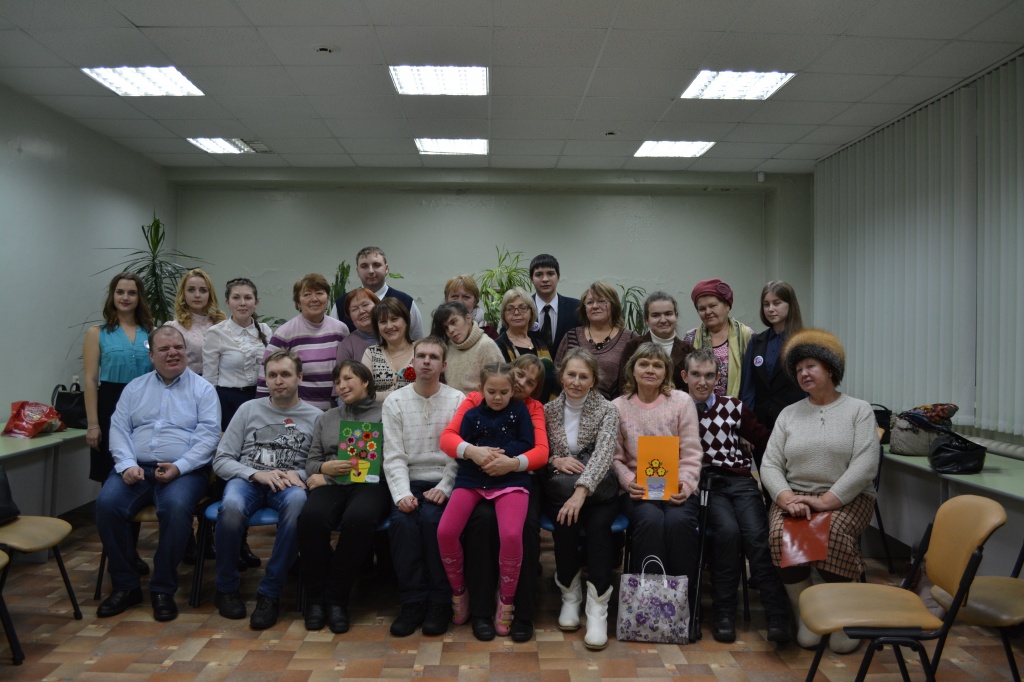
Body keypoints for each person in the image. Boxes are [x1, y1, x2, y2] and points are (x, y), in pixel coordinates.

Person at [759, 329, 879, 654]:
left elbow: (866, 464)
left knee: (832, 532)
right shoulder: (789, 413)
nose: (803, 374)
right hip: (795, 496)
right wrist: (785, 498)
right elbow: (770, 464)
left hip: (847, 498)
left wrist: (827, 501)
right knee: (781, 533)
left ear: (830, 368)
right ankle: (807, 614)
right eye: (798, 369)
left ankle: (842, 617)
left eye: (810, 366)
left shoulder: (859, 410)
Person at [94, 326, 221, 622]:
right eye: (164, 349)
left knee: (175, 508)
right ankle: (126, 586)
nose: (173, 353)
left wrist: (181, 466)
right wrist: (127, 464)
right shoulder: (134, 388)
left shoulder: (203, 389)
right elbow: (119, 430)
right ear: (151, 356)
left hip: (185, 471)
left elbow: (209, 437)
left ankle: (162, 588)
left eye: (178, 347)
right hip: (136, 469)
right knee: (106, 505)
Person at [682, 348, 790, 645]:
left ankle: (777, 613)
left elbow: (765, 438)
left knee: (757, 536)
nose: (702, 382)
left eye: (709, 375)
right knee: (728, 534)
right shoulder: (678, 407)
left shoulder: (733, 406)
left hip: (740, 481)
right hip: (708, 485)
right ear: (684, 376)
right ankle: (724, 612)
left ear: (718, 378)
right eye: (695, 375)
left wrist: (746, 434)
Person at [440, 354, 549, 642]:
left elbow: (538, 451)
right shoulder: (474, 403)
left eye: (530, 382)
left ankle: (514, 606)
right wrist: (475, 452)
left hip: (514, 478)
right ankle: (471, 601)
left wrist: (510, 461)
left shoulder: (530, 408)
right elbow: (450, 439)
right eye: (520, 375)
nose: (522, 383)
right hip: (475, 477)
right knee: (469, 526)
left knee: (521, 530)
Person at [211, 350, 320, 630]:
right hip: (247, 480)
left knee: (298, 504)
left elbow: (320, 465)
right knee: (231, 507)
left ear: (299, 377)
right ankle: (226, 587)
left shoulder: (316, 417)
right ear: (266, 379)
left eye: (285, 374)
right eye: (272, 375)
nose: (278, 381)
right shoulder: (248, 410)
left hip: (288, 484)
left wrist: (299, 474)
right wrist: (255, 473)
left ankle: (270, 592)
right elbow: (221, 460)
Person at [298, 359, 392, 634]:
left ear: (366, 382)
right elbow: (311, 462)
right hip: (331, 485)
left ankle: (336, 598)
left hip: (371, 485)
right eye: (338, 381)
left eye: (349, 379)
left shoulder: (385, 414)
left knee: (358, 519)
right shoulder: (327, 417)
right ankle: (315, 600)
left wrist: (329, 476)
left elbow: (383, 463)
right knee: (310, 518)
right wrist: (324, 469)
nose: (342, 385)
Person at [382, 338, 465, 638]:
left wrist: (445, 486)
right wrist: (402, 495)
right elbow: (393, 456)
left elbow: (459, 454)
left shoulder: (457, 400)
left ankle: (440, 601)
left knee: (433, 522)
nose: (426, 361)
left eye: (433, 357)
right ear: (413, 362)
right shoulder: (395, 401)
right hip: (409, 480)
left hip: (445, 480)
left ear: (443, 365)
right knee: (403, 524)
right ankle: (413, 602)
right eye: (421, 356)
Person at [611, 343, 702, 604]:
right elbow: (614, 458)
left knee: (678, 522)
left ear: (666, 372)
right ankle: (650, 605)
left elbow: (692, 452)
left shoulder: (681, 402)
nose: (650, 370)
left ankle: (682, 605)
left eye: (657, 365)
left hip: (677, 488)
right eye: (644, 364)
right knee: (650, 521)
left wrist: (685, 484)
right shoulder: (617, 407)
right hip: (637, 490)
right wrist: (628, 481)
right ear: (633, 370)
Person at [544, 348, 620, 650]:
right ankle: (570, 595)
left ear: (593, 380)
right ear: (561, 376)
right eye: (571, 374)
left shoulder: (607, 409)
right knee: (564, 524)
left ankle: (597, 608)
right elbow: (540, 450)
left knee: (599, 530)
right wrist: (555, 459)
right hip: (561, 488)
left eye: (583, 376)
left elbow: (604, 455)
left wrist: (581, 491)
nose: (576, 381)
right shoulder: (548, 410)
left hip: (599, 491)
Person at [84, 272, 155, 483]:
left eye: (132, 293)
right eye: (120, 292)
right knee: (109, 468)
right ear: (112, 296)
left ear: (139, 297)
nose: (125, 297)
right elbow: (90, 380)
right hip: (109, 403)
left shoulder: (152, 332)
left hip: (144, 403)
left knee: (143, 466)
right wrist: (93, 424)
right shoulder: (97, 333)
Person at [257, 273, 348, 411]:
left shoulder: (340, 330)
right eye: (307, 294)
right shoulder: (285, 332)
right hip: (299, 412)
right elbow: (266, 374)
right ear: (298, 302)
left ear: (328, 298)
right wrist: (262, 410)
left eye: (319, 293)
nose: (314, 299)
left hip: (335, 411)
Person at [203, 277, 273, 430]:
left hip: (260, 398)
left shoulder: (265, 330)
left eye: (248, 298)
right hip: (228, 401)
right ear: (228, 303)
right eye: (236, 298)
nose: (242, 303)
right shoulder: (216, 333)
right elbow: (209, 379)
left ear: (256, 302)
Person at [740, 281, 806, 431]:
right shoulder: (756, 341)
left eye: (777, 303)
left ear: (790, 305)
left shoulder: (804, 341)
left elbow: (808, 390)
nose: (770, 309)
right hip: (760, 424)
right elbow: (748, 388)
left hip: (794, 423)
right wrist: (747, 426)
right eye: (766, 304)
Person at [555, 281, 638, 400]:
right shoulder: (571, 336)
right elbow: (557, 375)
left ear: (613, 305)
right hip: (574, 406)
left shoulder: (631, 339)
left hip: (618, 407)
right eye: (590, 302)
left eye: (601, 301)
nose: (595, 306)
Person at [334, 246, 424, 339]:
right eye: (364, 266)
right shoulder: (341, 304)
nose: (371, 271)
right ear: (358, 271)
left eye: (376, 265)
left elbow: (416, 341)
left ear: (386, 268)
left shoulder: (406, 302)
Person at [682, 279, 752, 398]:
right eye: (702, 309)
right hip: (699, 406)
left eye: (713, 306)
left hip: (738, 406)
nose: (708, 312)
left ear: (727, 306)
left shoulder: (746, 335)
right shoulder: (691, 337)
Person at [619, 291, 694, 392]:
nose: (663, 320)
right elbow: (624, 386)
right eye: (656, 315)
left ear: (676, 316)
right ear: (647, 320)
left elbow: (691, 388)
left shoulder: (689, 351)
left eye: (668, 314)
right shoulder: (633, 346)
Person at [494, 286, 556, 402]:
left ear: (531, 312)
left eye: (522, 308)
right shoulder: (497, 346)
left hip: (545, 408)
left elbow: (553, 380)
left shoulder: (541, 345)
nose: (516, 313)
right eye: (510, 309)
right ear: (504, 315)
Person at [431, 301, 504, 393]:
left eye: (453, 322)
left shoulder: (486, 345)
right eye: (446, 327)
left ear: (468, 318)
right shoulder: (448, 347)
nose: (451, 330)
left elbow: (500, 387)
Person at [164, 268, 225, 376]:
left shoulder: (221, 323)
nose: (197, 295)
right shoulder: (173, 328)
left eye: (203, 290)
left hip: (222, 383)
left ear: (210, 294)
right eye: (191, 290)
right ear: (183, 293)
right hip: (187, 382)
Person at [360, 298, 415, 402]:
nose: (389, 326)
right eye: (383, 322)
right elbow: (364, 393)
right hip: (378, 412)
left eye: (394, 319)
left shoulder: (421, 350)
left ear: (406, 321)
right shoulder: (371, 353)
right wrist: (402, 395)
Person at [530, 254, 579, 356]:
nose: (545, 279)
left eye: (550, 273)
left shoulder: (576, 307)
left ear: (558, 277)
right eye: (539, 274)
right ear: (531, 279)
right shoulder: (522, 308)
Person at [444, 274, 497, 340]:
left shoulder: (488, 331)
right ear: (446, 300)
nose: (460, 302)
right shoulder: (440, 329)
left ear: (475, 301)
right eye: (454, 296)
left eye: (466, 297)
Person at [336, 288, 380, 363]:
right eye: (354, 309)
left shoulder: (392, 335)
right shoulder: (347, 345)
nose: (361, 311)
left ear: (377, 305)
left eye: (365, 305)